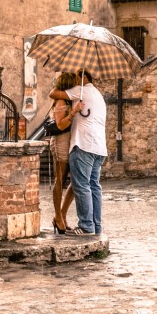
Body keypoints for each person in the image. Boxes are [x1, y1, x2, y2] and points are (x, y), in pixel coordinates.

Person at [49, 68, 107, 235]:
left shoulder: (81, 90)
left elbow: (54, 93)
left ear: (83, 78)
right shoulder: (98, 95)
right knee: (94, 186)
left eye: (76, 77)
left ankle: (86, 226)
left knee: (81, 186)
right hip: (99, 147)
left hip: (83, 145)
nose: (73, 80)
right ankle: (96, 226)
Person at [48, 72, 78, 234]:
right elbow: (59, 125)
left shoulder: (69, 100)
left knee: (75, 180)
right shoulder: (61, 101)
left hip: (70, 143)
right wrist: (73, 114)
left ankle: (62, 214)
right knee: (59, 179)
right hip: (60, 142)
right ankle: (58, 217)